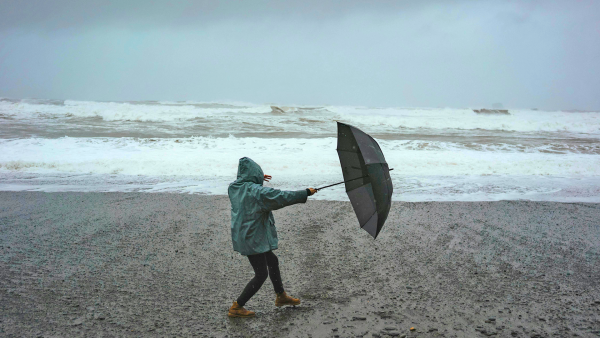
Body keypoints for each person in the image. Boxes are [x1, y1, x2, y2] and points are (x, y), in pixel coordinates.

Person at [227, 157, 317, 318]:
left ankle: (281, 296)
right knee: (261, 274)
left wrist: (257, 178)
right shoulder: (257, 192)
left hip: (245, 234)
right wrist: (305, 193)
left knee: (272, 261)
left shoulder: (234, 188)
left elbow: (247, 185)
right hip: (252, 237)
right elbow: (280, 196)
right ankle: (237, 306)